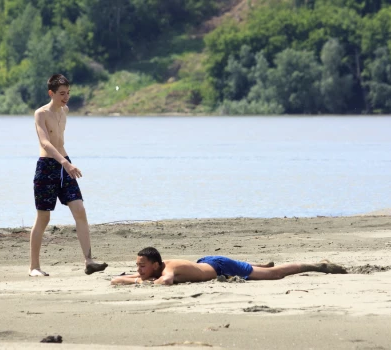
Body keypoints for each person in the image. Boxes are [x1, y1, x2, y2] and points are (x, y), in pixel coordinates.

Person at [29, 74, 107, 277]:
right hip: (47, 167)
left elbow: (60, 142)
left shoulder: (65, 111)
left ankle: (89, 261)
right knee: (43, 218)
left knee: (79, 209)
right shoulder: (41, 114)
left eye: (68, 93)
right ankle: (34, 267)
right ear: (51, 93)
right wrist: (64, 162)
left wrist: (66, 162)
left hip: (65, 165)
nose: (66, 97)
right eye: (62, 94)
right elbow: (45, 143)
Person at [111, 247, 346, 285]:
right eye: (138, 266)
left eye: (142, 266)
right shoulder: (154, 269)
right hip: (207, 263)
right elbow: (118, 279)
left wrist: (139, 282)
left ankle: (318, 266)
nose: (139, 269)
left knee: (274, 275)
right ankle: (256, 264)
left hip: (221, 267)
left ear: (155, 264)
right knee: (258, 268)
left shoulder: (168, 268)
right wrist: (132, 279)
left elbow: (165, 281)